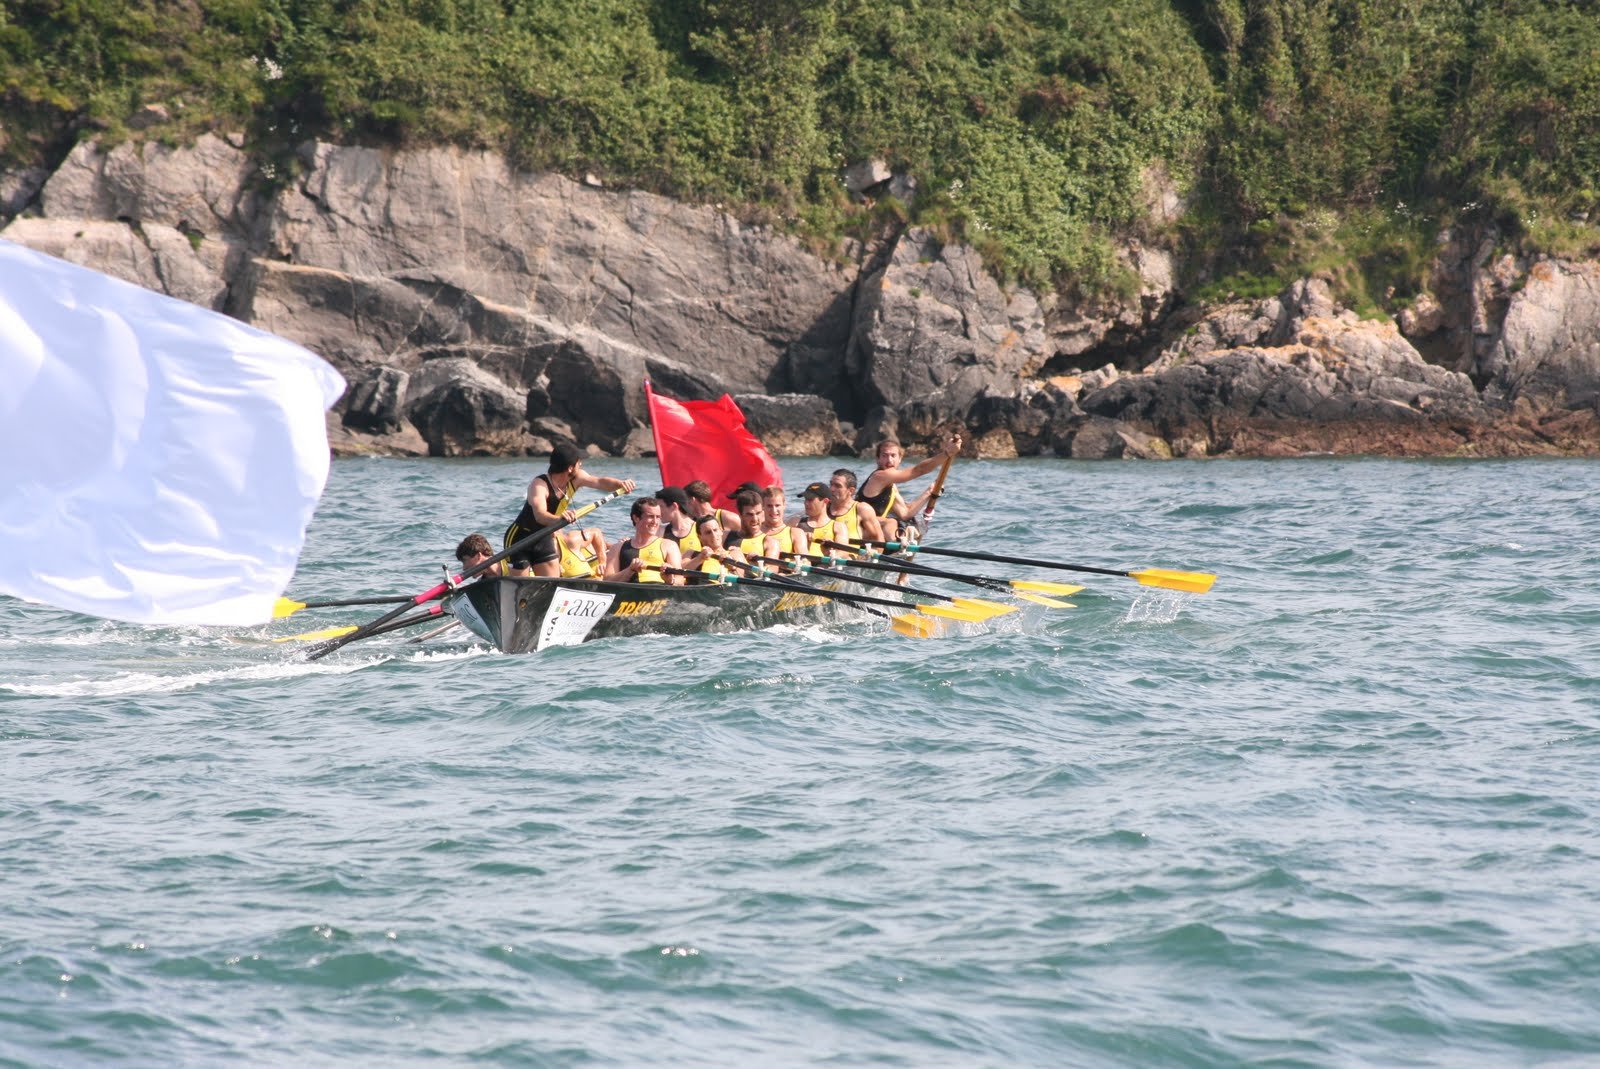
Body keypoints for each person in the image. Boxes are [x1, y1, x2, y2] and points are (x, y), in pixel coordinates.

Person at [504, 443, 635, 577]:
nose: (581, 465)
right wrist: (559, 519)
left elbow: (600, 482)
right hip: (520, 537)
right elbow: (540, 515)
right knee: (520, 588)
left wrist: (620, 484)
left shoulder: (577, 479)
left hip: (544, 536)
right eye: (579, 462)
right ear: (570, 468)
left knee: (550, 584)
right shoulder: (539, 485)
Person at [858, 429, 962, 540]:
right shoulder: (879, 476)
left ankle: (900, 540)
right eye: (884, 456)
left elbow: (906, 513)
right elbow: (919, 470)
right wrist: (946, 453)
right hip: (860, 530)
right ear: (878, 459)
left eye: (893, 456)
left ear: (900, 459)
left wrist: (929, 492)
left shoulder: (890, 486)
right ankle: (900, 541)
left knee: (906, 522)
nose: (889, 460)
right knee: (893, 522)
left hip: (872, 531)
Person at [603, 497, 683, 584]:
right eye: (650, 516)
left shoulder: (669, 545)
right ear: (636, 518)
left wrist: (670, 580)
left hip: (658, 594)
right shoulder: (617, 548)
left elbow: (680, 581)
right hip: (628, 594)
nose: (655, 522)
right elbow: (607, 581)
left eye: (658, 517)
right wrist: (629, 571)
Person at [823, 469, 885, 547]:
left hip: (850, 557)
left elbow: (878, 540)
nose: (831, 489)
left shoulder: (862, 509)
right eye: (831, 484)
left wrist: (869, 557)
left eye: (838, 486)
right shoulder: (822, 507)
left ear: (851, 491)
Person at [681, 514, 745, 580]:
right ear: (699, 537)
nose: (713, 535)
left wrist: (731, 567)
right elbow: (680, 573)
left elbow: (741, 580)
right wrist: (700, 558)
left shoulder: (734, 553)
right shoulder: (691, 554)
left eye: (715, 530)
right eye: (708, 532)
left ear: (721, 531)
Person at [760, 484, 807, 558]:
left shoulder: (796, 533)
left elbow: (805, 561)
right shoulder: (755, 533)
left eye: (777, 505)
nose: (774, 510)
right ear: (762, 507)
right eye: (769, 506)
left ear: (784, 505)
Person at [656, 486, 702, 555]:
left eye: (661, 506)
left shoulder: (699, 528)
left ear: (674, 506)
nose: (657, 511)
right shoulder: (660, 531)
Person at [794, 482, 838, 555]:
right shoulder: (795, 523)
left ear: (825, 501)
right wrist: (799, 536)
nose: (805, 503)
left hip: (826, 564)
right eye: (805, 499)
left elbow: (843, 553)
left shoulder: (838, 527)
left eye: (810, 500)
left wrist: (829, 552)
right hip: (801, 563)